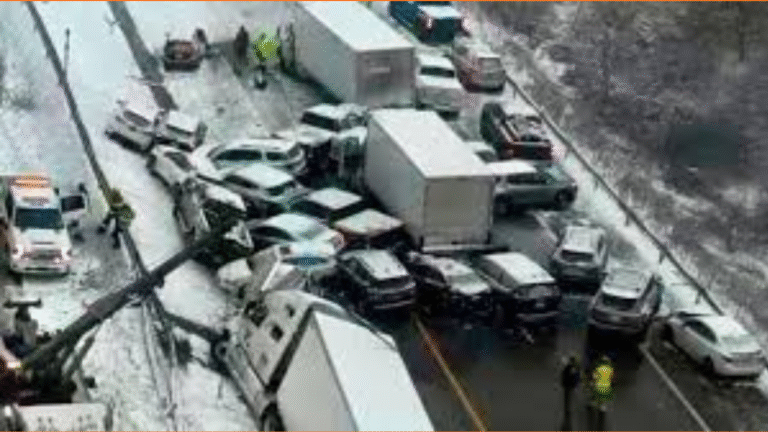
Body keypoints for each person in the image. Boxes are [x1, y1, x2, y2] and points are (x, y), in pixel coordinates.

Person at [589, 354, 614, 431]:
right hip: (606, 387)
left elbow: (594, 377)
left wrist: (592, 383)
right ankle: (603, 407)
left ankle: (597, 405)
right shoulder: (610, 369)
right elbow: (611, 378)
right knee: (603, 399)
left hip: (599, 387)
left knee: (597, 398)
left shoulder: (599, 368)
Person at [560, 354, 580, 431]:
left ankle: (566, 419)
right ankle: (567, 419)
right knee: (569, 404)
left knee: (567, 404)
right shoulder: (572, 369)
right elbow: (574, 379)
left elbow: (563, 378)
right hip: (569, 388)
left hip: (567, 388)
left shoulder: (566, 368)